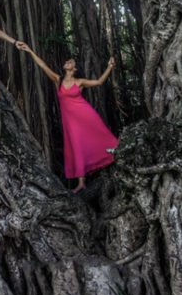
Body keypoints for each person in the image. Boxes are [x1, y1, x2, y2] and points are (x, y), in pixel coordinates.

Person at [18, 43, 118, 193]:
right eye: (67, 62)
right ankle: (81, 182)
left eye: (71, 62)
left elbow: (98, 82)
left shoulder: (80, 82)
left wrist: (110, 67)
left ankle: (116, 149)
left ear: (74, 69)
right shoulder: (58, 80)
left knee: (100, 133)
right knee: (76, 145)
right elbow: (43, 66)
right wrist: (30, 51)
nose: (67, 62)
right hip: (70, 121)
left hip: (85, 114)